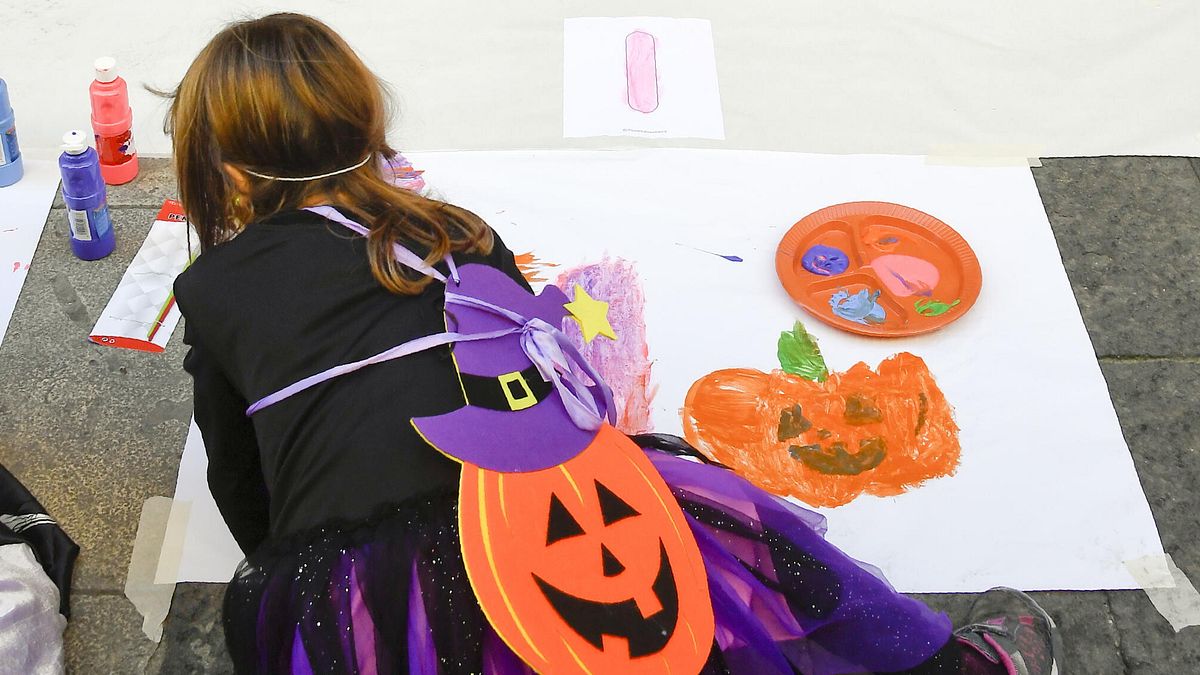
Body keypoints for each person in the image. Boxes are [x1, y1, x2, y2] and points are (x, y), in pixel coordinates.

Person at [168, 13, 1062, 675]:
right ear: (367, 124)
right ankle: (950, 668)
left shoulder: (213, 287)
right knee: (742, 563)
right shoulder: (452, 234)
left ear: (230, 168)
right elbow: (548, 379)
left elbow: (239, 479)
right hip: (553, 517)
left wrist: (300, 568)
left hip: (364, 577)